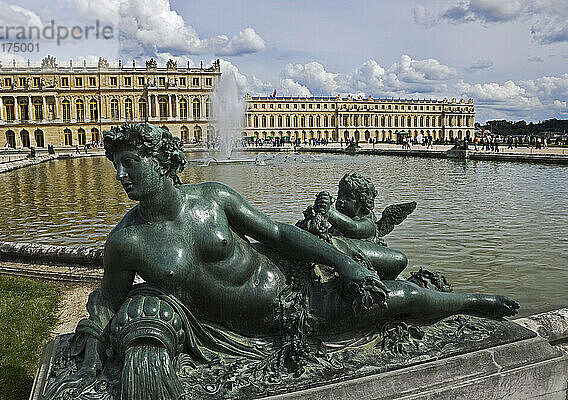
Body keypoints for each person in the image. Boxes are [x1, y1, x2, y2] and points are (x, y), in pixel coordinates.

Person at [45, 123, 519, 399]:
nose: (121, 176)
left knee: (402, 296)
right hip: (253, 328)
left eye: (131, 162)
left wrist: (343, 262)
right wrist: (93, 333)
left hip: (294, 294)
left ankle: (471, 302)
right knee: (398, 297)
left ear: (163, 161)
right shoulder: (125, 242)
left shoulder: (213, 198)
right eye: (117, 166)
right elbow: (106, 299)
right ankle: (445, 293)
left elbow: (278, 232)